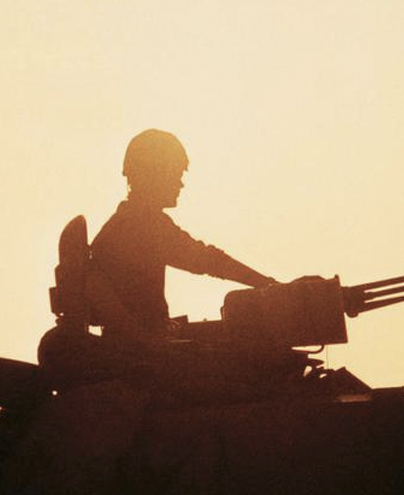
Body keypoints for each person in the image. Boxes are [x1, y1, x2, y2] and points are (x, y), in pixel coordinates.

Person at [88, 129, 276, 343]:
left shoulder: (125, 222)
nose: (180, 184)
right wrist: (270, 286)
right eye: (175, 174)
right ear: (153, 174)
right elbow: (209, 261)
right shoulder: (143, 225)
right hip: (146, 350)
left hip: (143, 341)